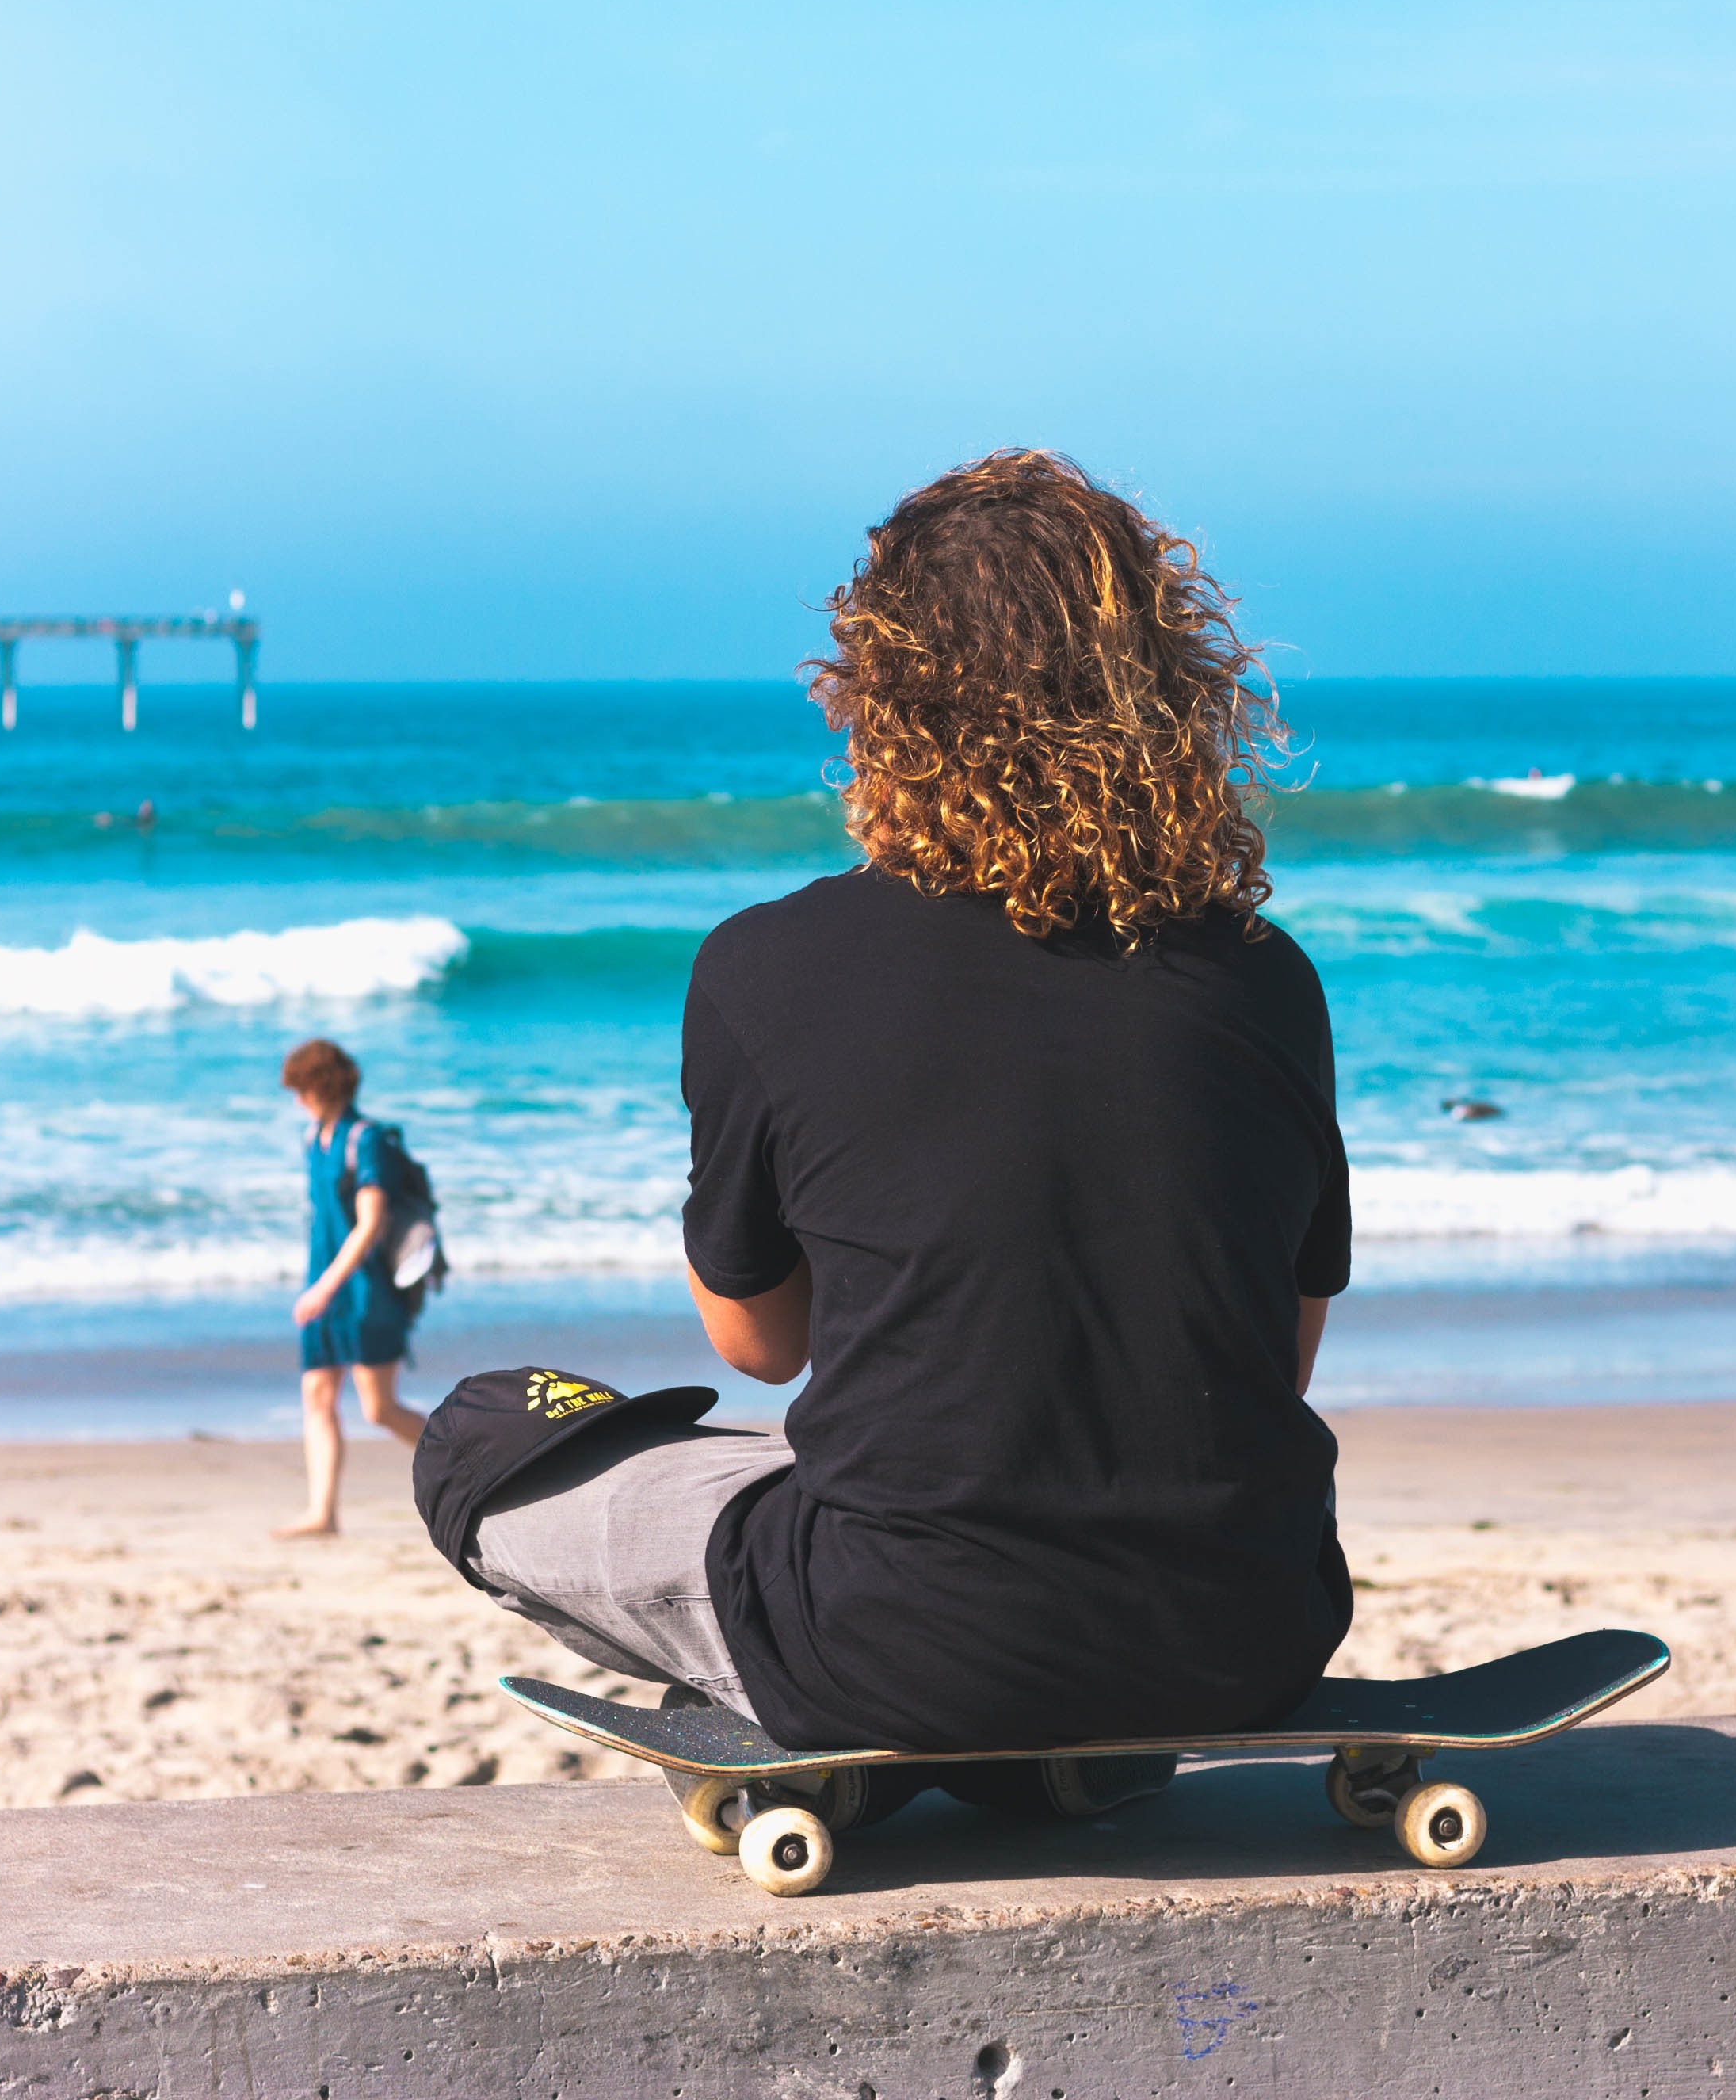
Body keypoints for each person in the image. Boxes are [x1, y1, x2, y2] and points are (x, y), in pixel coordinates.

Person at [414, 450, 1353, 1786]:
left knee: (482, 1426)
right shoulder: (1264, 977)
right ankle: (1045, 1752)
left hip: (901, 1636)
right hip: (1244, 1628)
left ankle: (958, 1720)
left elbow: (762, 1339)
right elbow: (1282, 1358)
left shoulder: (768, 967)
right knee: (878, 1485)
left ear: (879, 699)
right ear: (1161, 691)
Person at [276, 1037, 427, 1537]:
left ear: (321, 1086)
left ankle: (468, 1462)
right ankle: (323, 1513)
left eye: (301, 1088)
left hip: (365, 1290)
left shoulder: (367, 1141)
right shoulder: (311, 1138)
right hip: (323, 1283)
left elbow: (369, 1225)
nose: (296, 1099)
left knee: (378, 1408)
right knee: (317, 1395)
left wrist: (324, 1289)